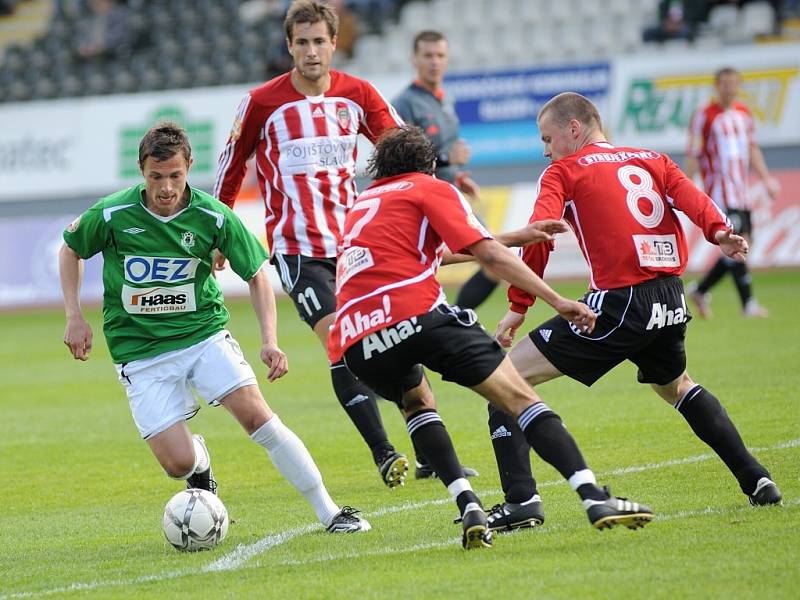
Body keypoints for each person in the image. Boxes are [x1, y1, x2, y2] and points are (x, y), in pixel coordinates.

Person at [330, 126, 655, 549]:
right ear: (429, 164)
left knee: (416, 403)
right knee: (520, 397)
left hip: (358, 343)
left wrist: (516, 235)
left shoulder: (363, 204)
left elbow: (432, 253)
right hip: (417, 315)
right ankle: (594, 498)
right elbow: (485, 254)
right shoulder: (431, 187)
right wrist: (557, 300)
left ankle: (468, 505)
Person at [487, 92, 782, 532]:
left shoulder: (562, 170)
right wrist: (721, 232)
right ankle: (757, 479)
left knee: (502, 380)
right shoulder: (652, 158)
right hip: (670, 299)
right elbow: (694, 198)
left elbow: (539, 235)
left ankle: (521, 502)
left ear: (574, 128)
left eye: (548, 138)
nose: (546, 150)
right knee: (677, 386)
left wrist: (518, 306)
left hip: (618, 302)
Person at [59, 122, 369, 534]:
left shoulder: (212, 215)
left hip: (204, 337)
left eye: (175, 176)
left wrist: (269, 341)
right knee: (178, 464)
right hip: (140, 352)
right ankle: (200, 462)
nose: (166, 188)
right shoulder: (113, 213)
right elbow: (70, 250)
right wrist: (74, 315)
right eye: (156, 177)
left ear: (189, 166)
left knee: (259, 418)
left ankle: (330, 512)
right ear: (141, 170)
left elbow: (258, 274)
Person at [213, 0, 414, 488]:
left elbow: (402, 151)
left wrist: (415, 203)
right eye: (300, 42)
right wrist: (218, 232)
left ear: (333, 43)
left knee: (396, 339)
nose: (310, 51)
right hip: (297, 250)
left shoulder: (358, 94)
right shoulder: (262, 102)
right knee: (340, 342)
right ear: (289, 47)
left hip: (356, 246)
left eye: (318, 41)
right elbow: (232, 166)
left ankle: (426, 443)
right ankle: (384, 452)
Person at [392, 30, 492, 480]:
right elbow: (402, 162)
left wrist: (458, 174)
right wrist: (448, 163)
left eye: (441, 55)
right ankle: (427, 453)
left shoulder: (443, 101)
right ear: (414, 58)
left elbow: (442, 160)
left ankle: (446, 321)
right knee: (489, 260)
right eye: (428, 55)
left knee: (490, 264)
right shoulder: (406, 105)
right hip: (418, 211)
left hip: (443, 203)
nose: (435, 61)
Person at [685, 66, 780, 319]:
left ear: (738, 86)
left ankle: (700, 289)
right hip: (719, 193)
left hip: (742, 192)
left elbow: (753, 150)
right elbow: (694, 152)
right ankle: (748, 304)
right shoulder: (704, 115)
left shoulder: (744, 115)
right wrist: (688, 186)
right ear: (717, 86)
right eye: (724, 83)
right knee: (738, 244)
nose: (729, 88)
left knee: (745, 242)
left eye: (733, 83)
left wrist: (767, 180)